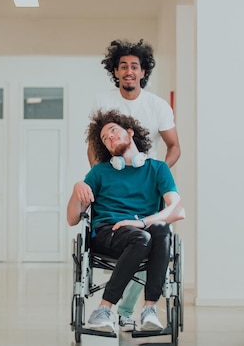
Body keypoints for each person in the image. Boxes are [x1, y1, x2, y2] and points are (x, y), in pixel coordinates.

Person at [88, 38, 181, 331]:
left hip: (146, 184)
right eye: (123, 66)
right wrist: (107, 177)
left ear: (143, 72)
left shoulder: (157, 106)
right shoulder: (103, 102)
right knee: (137, 239)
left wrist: (156, 174)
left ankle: (133, 309)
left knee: (155, 232)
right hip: (114, 179)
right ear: (115, 71)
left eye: (135, 67)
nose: (129, 71)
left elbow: (174, 146)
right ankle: (117, 309)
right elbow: (93, 146)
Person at [68, 109, 185, 333]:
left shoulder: (158, 169)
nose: (110, 137)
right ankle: (104, 309)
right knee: (143, 237)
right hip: (107, 234)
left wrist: (141, 222)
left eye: (113, 131)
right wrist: (77, 188)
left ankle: (149, 308)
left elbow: (178, 210)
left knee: (160, 229)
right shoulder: (100, 173)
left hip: (143, 234)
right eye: (104, 138)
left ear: (130, 133)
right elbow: (72, 218)